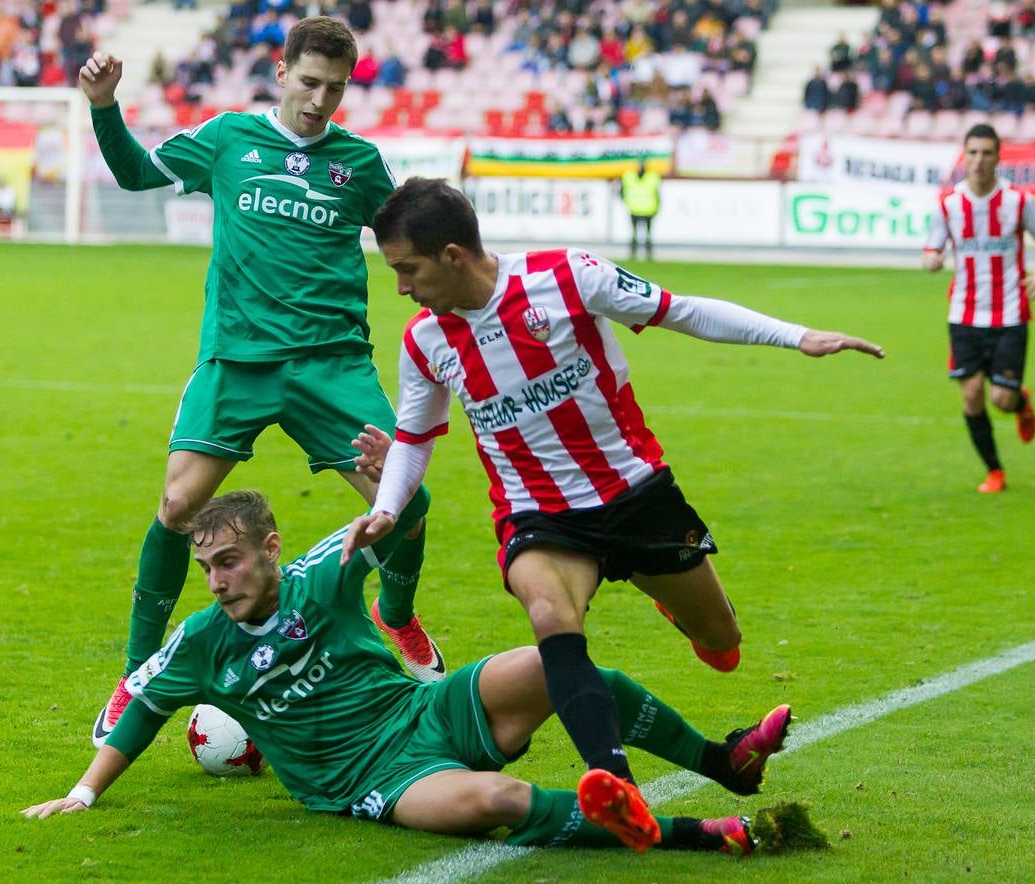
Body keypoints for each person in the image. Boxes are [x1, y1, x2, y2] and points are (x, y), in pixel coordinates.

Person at [340, 177, 883, 849]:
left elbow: (683, 311)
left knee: (721, 644)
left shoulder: (566, 277)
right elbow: (415, 436)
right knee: (551, 616)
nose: (400, 287)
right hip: (539, 515)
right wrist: (388, 507)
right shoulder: (426, 341)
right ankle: (614, 783)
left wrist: (797, 336)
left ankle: (671, 604)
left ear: (452, 255)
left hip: (634, 493)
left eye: (407, 269)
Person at [22, 487, 793, 856]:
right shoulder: (201, 641)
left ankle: (722, 762)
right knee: (497, 800)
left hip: (423, 712)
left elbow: (405, 520)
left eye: (229, 561)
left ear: (269, 549)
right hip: (370, 779)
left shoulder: (321, 576)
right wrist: (84, 793)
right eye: (207, 569)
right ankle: (692, 836)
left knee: (561, 664)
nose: (218, 581)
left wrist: (388, 494)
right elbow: (145, 707)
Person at [76, 16, 444, 750]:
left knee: (408, 500)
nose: (319, 100)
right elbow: (136, 173)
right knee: (177, 505)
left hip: (331, 365)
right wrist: (105, 106)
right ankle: (138, 672)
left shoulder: (359, 163)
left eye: (334, 88)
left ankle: (396, 614)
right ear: (281, 73)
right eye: (309, 83)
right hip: (237, 361)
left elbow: (408, 244)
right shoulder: (227, 139)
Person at [923, 124, 1035, 494]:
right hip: (964, 313)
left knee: (1002, 399)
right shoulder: (949, 205)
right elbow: (931, 249)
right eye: (972, 153)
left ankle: (1020, 402)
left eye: (986, 153)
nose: (979, 161)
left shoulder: (1018, 201)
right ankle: (995, 471)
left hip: (1010, 313)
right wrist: (931, 260)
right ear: (963, 157)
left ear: (998, 158)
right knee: (971, 395)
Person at [619, 157, 660, 260]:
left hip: (647, 209)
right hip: (637, 208)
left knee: (646, 234)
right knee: (635, 233)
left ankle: (645, 254)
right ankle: (637, 254)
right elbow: (622, 191)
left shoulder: (651, 177)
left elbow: (657, 193)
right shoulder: (630, 176)